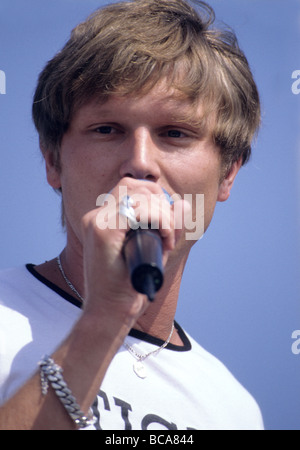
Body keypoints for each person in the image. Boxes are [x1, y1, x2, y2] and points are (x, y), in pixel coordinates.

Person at [0, 0, 263, 430]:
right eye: (107, 129)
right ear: (52, 161)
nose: (140, 162)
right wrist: (105, 317)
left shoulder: (234, 410)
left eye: (175, 133)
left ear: (227, 175)